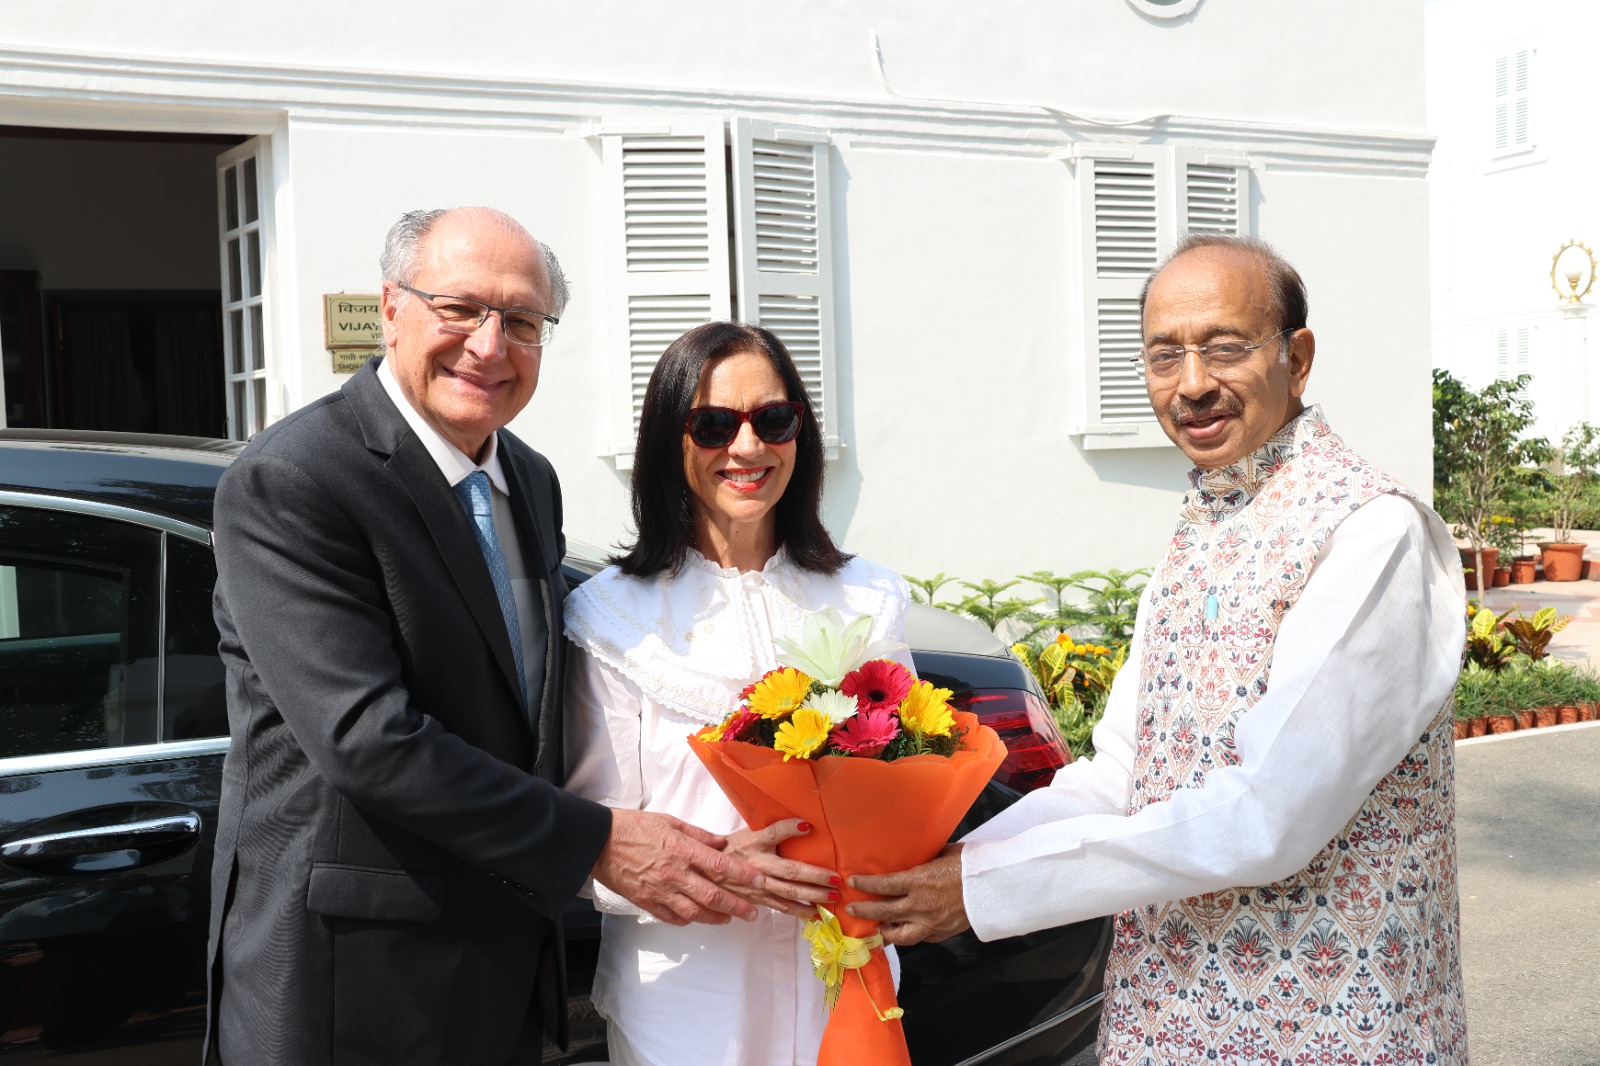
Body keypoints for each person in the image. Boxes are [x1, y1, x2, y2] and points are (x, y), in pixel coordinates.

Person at [852, 234, 1469, 1065]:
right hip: (1168, 1023)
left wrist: (982, 890)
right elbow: (1121, 774)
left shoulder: (1370, 532)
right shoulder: (1205, 528)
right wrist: (954, 861)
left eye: (1226, 347)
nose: (1193, 383)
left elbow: (1270, 816)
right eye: (1164, 355)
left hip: (1326, 1034)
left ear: (1297, 358)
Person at [206, 208, 765, 1066]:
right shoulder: (295, 477)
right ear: (391, 307)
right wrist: (598, 840)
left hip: (504, 969)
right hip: (354, 981)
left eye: (523, 321)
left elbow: (538, 704)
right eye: (460, 308)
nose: (490, 345)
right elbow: (367, 739)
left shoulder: (529, 479)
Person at [563, 321, 914, 1066]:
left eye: (773, 419)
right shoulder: (611, 616)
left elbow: (906, 778)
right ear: (670, 441)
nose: (748, 447)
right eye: (714, 425)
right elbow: (595, 839)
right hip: (687, 998)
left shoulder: (869, 597)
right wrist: (729, 870)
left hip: (844, 978)